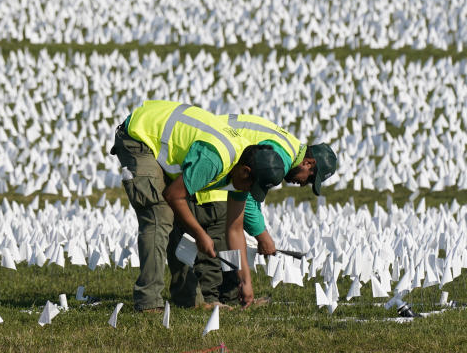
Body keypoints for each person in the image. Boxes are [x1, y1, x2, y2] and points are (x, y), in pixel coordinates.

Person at [110, 101, 286, 311]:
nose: (248, 191)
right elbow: (173, 195)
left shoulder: (243, 169)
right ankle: (148, 302)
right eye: (251, 186)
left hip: (162, 141)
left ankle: (188, 301)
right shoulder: (215, 159)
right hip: (140, 136)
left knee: (178, 217)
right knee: (160, 215)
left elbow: (234, 229)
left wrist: (245, 282)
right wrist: (200, 234)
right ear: (246, 171)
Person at [168, 113, 338, 308]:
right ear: (309, 163)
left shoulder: (288, 150)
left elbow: (251, 197)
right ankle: (211, 299)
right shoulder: (280, 159)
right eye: (309, 179)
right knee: (219, 228)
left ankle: (232, 296)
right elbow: (247, 199)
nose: (303, 184)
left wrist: (260, 233)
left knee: (231, 231)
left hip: (225, 167)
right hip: (215, 167)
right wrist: (262, 236)